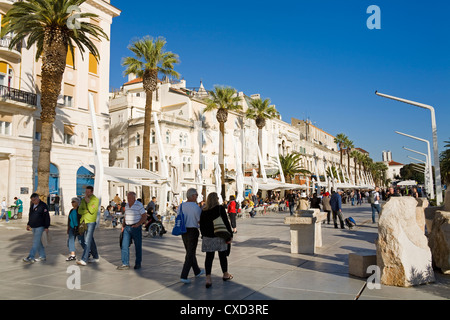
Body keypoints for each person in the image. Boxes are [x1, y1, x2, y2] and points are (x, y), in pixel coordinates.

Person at [200, 192, 233, 288]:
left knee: (209, 257)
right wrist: (230, 235)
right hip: (219, 236)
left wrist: (203, 235)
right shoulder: (220, 209)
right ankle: (225, 274)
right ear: (216, 199)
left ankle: (208, 278)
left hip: (208, 237)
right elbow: (226, 222)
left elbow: (201, 225)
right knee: (222, 256)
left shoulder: (204, 210)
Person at [117, 192, 147, 270]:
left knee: (137, 246)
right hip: (127, 227)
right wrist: (123, 225)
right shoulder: (126, 205)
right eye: (127, 197)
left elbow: (144, 216)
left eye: (130, 198)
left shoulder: (139, 205)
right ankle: (125, 263)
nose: (128, 199)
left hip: (135, 228)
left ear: (134, 198)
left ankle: (138, 263)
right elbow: (125, 215)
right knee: (124, 245)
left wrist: (138, 224)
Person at [179, 188, 204, 284]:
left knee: (190, 251)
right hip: (192, 231)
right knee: (190, 253)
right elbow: (199, 220)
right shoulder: (195, 207)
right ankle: (184, 275)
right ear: (192, 196)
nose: (197, 197)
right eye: (196, 195)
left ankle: (197, 271)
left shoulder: (181, 206)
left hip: (183, 230)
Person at [23, 193, 50, 263]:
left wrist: (46, 227)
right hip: (33, 226)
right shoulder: (32, 206)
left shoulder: (43, 206)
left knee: (35, 242)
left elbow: (46, 217)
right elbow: (30, 216)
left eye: (34, 200)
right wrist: (28, 224)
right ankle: (42, 256)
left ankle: (31, 257)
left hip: (40, 226)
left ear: (38, 198)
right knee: (38, 242)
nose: (33, 201)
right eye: (32, 200)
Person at [77, 186, 100, 266]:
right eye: (86, 192)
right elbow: (79, 211)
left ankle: (84, 259)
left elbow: (92, 210)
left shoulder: (95, 200)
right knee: (87, 239)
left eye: (88, 192)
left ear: (92, 192)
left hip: (91, 222)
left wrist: (88, 202)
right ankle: (96, 256)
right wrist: (86, 210)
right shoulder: (83, 200)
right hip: (83, 221)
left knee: (87, 240)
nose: (86, 193)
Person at [66, 197, 86, 261]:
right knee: (70, 241)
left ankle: (88, 251)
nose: (72, 203)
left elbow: (82, 220)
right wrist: (68, 228)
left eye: (74, 202)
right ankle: (72, 255)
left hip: (79, 228)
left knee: (81, 241)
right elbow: (69, 220)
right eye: (72, 202)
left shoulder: (80, 210)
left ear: (78, 203)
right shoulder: (71, 210)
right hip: (72, 228)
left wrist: (81, 229)